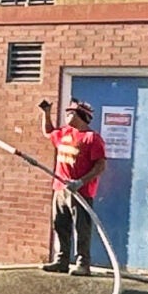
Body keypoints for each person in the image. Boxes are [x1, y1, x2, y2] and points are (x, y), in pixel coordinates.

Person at [37, 98, 106, 274]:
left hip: (80, 192)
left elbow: (100, 166)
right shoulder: (65, 133)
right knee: (60, 225)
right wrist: (46, 113)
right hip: (60, 188)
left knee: (81, 228)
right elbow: (48, 132)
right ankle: (62, 261)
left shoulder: (92, 138)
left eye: (71, 112)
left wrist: (81, 182)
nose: (67, 115)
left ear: (81, 116)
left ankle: (83, 264)